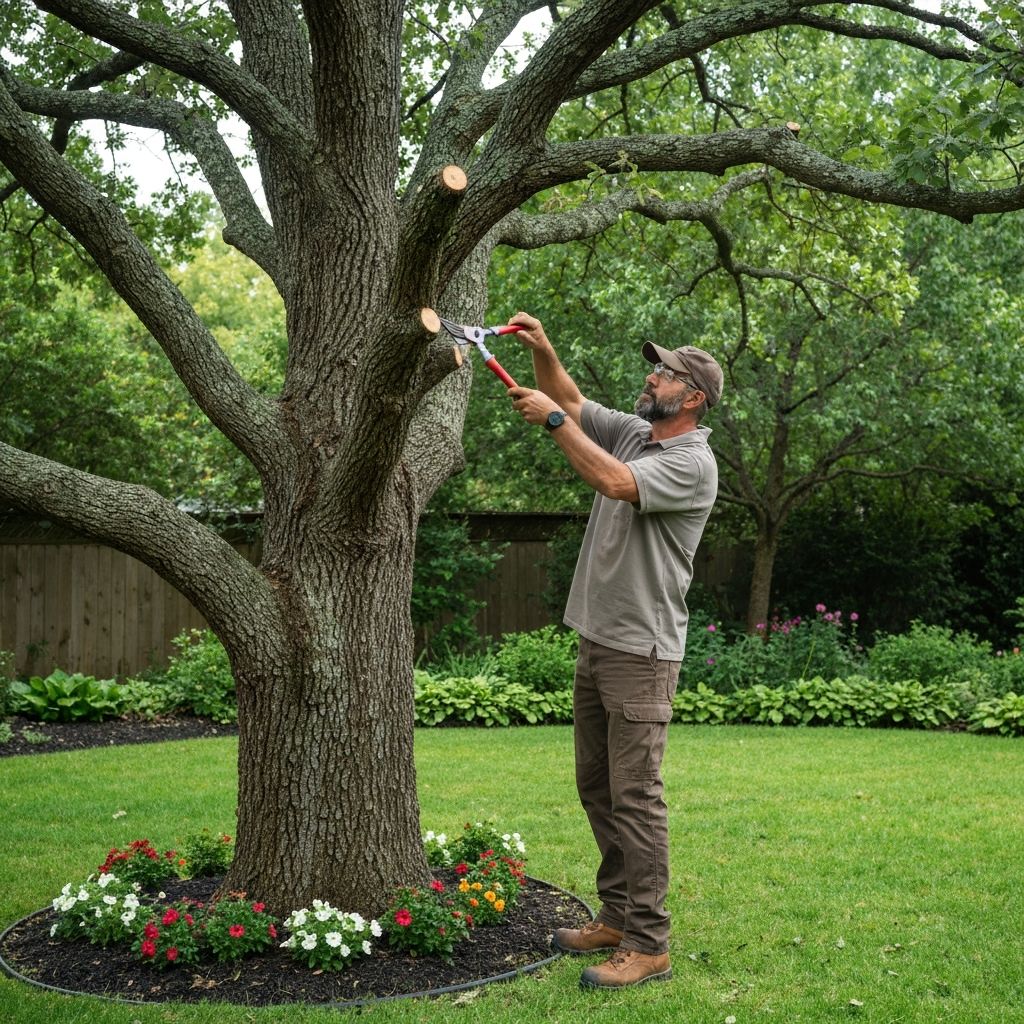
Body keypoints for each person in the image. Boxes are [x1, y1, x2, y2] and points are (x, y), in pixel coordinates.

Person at [506, 311, 722, 990]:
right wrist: (544, 350)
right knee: (597, 786)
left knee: (636, 797)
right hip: (598, 640)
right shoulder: (637, 433)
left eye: (664, 373)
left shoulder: (690, 462)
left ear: (693, 397)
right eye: (654, 366)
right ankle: (617, 914)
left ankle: (650, 943)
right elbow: (570, 400)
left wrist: (550, 424)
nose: (650, 376)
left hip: (642, 652)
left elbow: (612, 483)